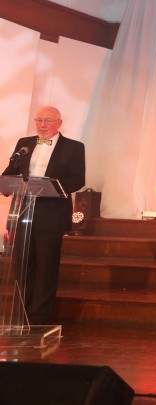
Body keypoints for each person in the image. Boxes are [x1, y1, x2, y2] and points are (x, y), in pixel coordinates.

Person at [2, 106, 86, 325]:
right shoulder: (24, 144)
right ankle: (23, 313)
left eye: (48, 120)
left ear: (59, 122)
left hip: (52, 213)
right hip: (23, 212)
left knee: (46, 266)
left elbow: (78, 179)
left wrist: (52, 188)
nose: (42, 124)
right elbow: (11, 172)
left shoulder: (74, 147)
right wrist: (6, 183)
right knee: (23, 265)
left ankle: (39, 316)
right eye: (39, 120)